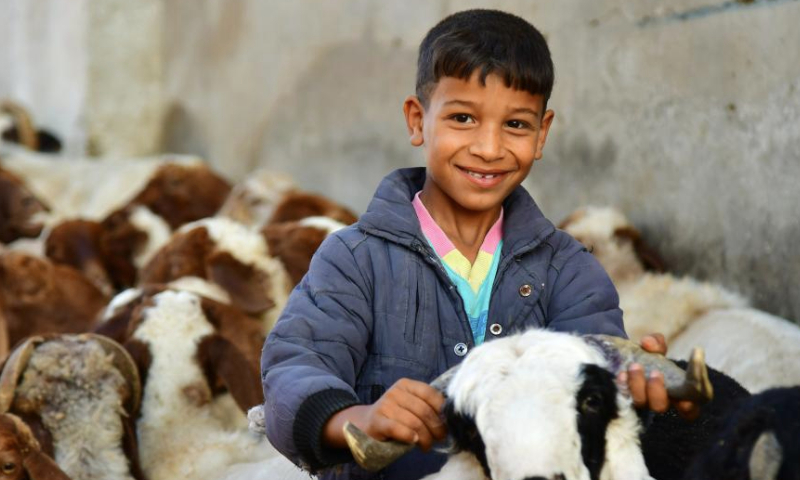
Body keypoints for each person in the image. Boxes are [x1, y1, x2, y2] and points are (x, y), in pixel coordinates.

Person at [261, 9, 697, 480]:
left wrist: (639, 387)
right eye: (463, 118)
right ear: (416, 121)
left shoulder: (569, 271)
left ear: (542, 133)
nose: (489, 148)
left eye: (516, 125)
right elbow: (294, 367)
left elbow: (593, 395)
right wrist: (353, 419)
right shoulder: (353, 260)